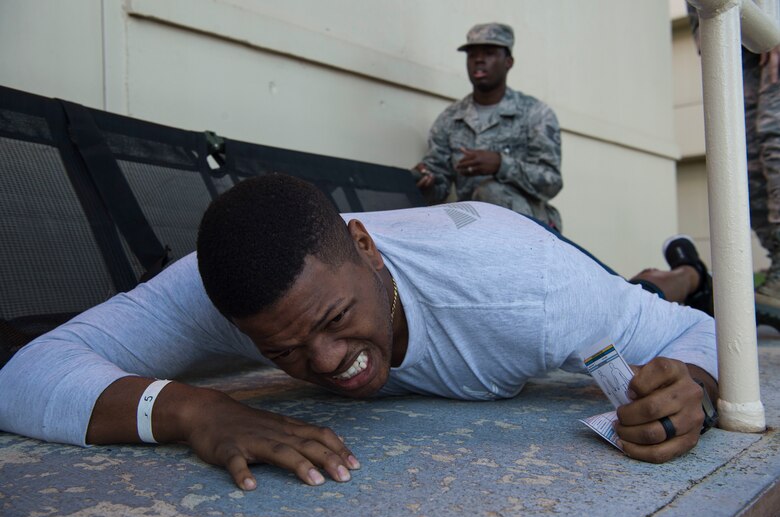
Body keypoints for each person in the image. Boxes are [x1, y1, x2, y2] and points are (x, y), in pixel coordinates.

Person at [0, 174, 717, 492]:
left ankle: (682, 270)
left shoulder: (531, 287)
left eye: (337, 320)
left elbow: (694, 334)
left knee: (647, 296)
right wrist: (195, 411)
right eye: (282, 349)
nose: (327, 363)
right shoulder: (208, 288)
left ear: (366, 248)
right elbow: (25, 374)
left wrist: (694, 390)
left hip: (515, 243)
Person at [413, 22, 563, 230]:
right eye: (472, 55)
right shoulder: (450, 119)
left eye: (489, 53)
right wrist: (424, 180)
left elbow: (551, 182)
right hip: (473, 225)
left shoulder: (536, 114)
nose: (479, 60)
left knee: (491, 192)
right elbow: (439, 186)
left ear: (508, 62)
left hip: (530, 225)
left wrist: (501, 164)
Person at [687, 5, 780, 323]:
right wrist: (703, 30)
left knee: (774, 136)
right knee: (743, 155)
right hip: (735, 36)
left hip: (770, 20)